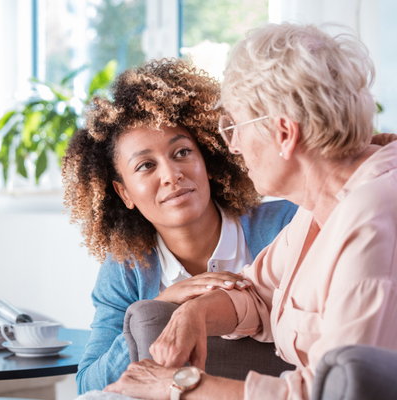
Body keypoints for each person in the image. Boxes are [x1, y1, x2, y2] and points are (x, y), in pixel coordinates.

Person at [104, 23, 397, 400]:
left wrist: (182, 387)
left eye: (236, 126)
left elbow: (337, 394)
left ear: (284, 133)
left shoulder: (373, 216)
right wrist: (196, 313)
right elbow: (258, 293)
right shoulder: (318, 207)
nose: (235, 146)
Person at [61, 59, 297, 393]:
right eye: (145, 165)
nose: (172, 174)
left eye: (182, 152)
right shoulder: (126, 272)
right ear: (124, 192)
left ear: (208, 160)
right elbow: (88, 385)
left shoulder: (287, 224)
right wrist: (163, 305)